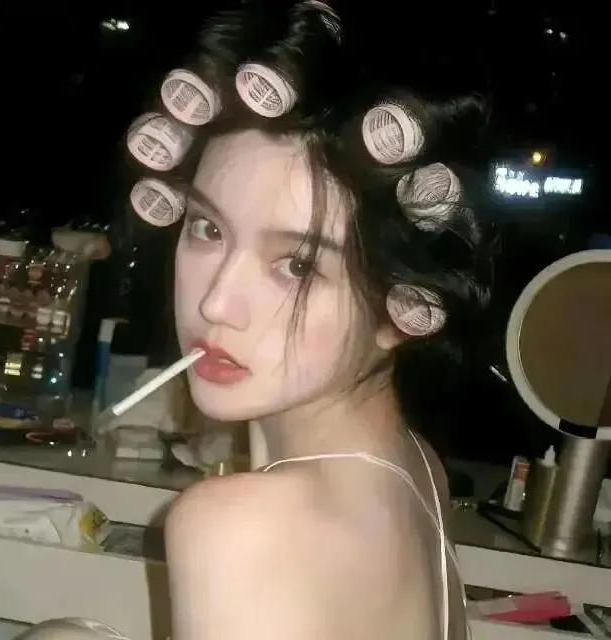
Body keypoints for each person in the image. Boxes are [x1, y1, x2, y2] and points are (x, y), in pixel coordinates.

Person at [130, 2, 494, 639]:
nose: (216, 303)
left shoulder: (238, 531)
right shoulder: (415, 466)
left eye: (297, 265)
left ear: (402, 307)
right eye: (208, 228)